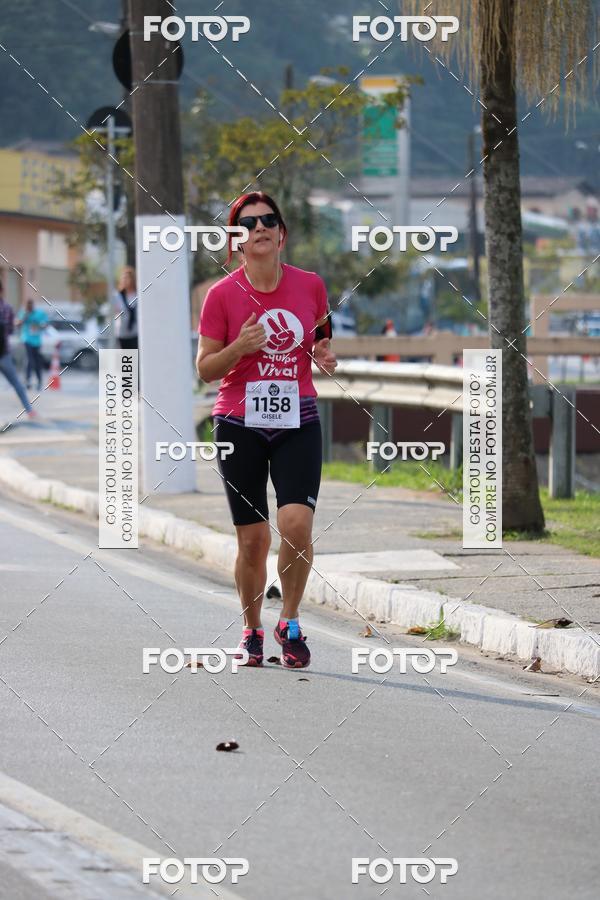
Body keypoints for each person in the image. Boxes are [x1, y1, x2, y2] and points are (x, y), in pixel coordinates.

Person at [196, 191, 337, 669]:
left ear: (282, 234)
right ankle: (252, 629)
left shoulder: (312, 285)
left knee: (297, 525)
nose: (259, 228)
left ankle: (290, 621)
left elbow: (322, 338)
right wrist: (240, 346)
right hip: (239, 422)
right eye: (248, 223)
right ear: (236, 240)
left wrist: (325, 355)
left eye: (268, 221)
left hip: (298, 417)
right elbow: (206, 369)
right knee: (253, 540)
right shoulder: (221, 296)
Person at [0, 288, 35, 419]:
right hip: (4, 352)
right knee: (15, 382)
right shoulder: (7, 308)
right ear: (2, 290)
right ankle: (29, 409)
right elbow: (10, 330)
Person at [16, 298, 48, 391]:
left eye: (30, 305)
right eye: (27, 305)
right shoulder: (23, 313)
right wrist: (24, 317)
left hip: (37, 341)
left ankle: (39, 381)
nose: (29, 307)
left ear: (33, 305)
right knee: (29, 360)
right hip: (27, 339)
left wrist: (42, 325)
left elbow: (46, 323)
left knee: (37, 361)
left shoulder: (39, 313)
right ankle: (28, 381)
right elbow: (17, 324)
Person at [114, 266, 138, 350]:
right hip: (122, 333)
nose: (125, 280)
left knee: (136, 359)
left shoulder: (137, 295)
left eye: (127, 278)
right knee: (126, 361)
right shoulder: (118, 296)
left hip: (135, 332)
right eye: (123, 278)